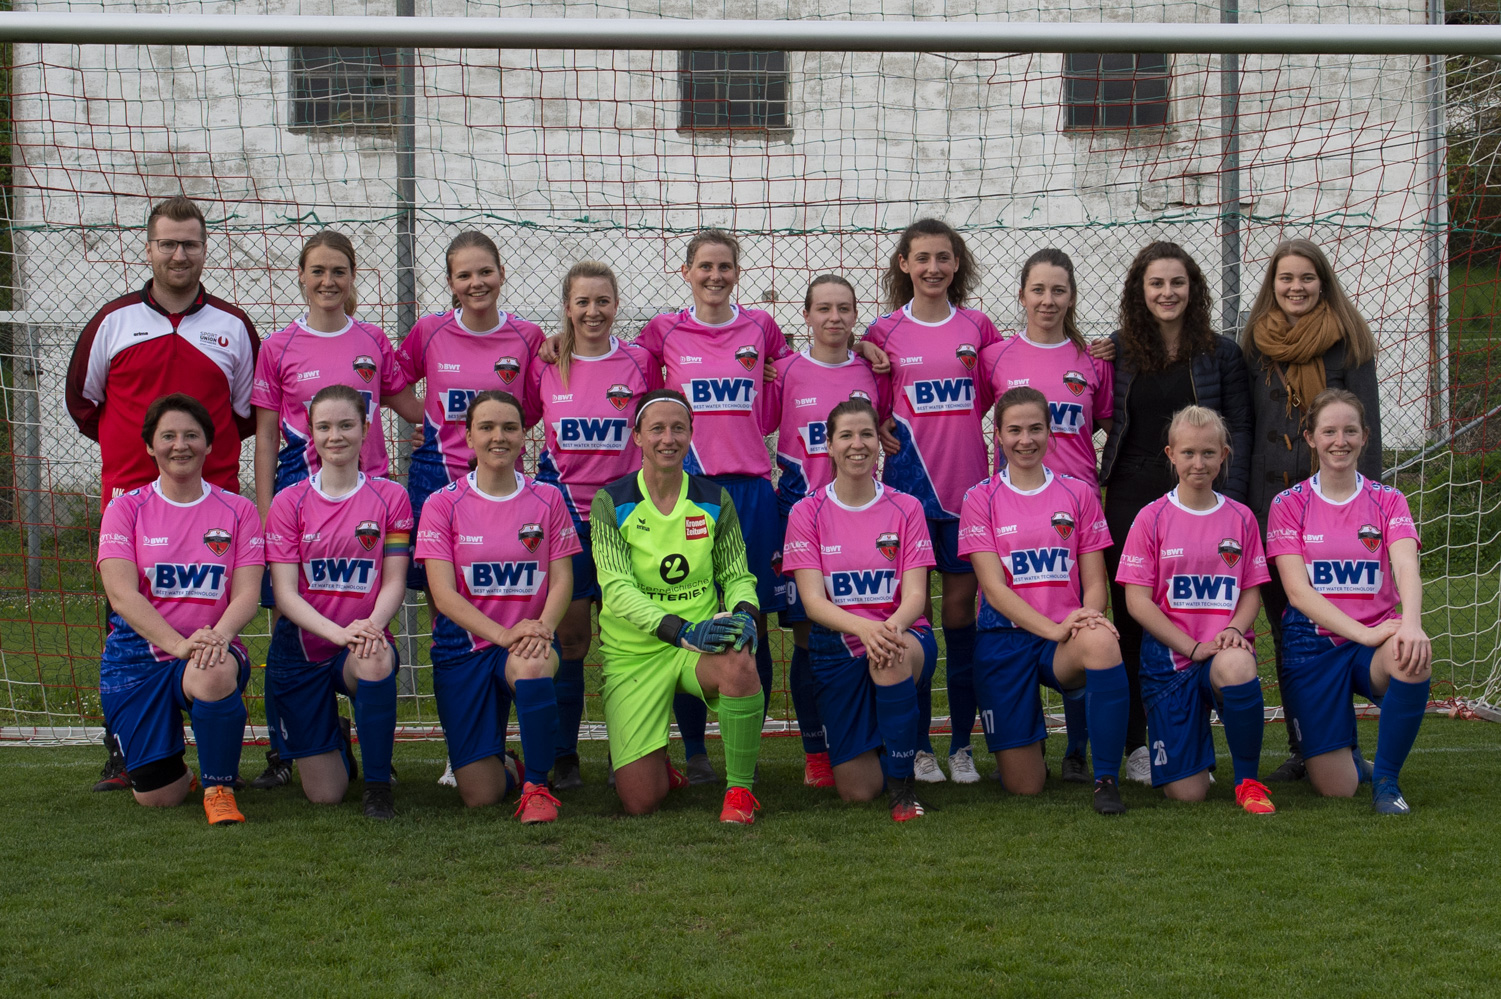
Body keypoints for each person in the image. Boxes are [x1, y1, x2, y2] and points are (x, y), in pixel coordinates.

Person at [66, 195, 259, 793]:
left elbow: (244, 414)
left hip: (213, 507)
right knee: (127, 620)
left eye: (190, 243)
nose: (179, 254)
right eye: (168, 243)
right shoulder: (113, 321)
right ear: (148, 249)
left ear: (205, 249)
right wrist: (138, 460)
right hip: (134, 503)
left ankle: (220, 743)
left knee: (216, 618)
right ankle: (127, 752)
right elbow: (84, 403)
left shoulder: (233, 326)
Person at [249, 229, 422, 790]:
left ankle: (370, 745)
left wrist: (456, 431)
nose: (328, 281)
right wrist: (266, 508)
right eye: (318, 271)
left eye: (338, 271)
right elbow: (266, 435)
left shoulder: (372, 339)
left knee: (366, 601)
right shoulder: (278, 347)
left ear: (352, 278)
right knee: (290, 621)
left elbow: (406, 402)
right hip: (301, 495)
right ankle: (289, 749)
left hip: (368, 494)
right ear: (301, 277)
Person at [619, 229, 792, 785]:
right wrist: (559, 342)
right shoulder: (662, 331)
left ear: (737, 272)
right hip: (689, 491)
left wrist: (862, 348)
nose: (715, 276)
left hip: (750, 491)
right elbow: (617, 362)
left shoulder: (761, 327)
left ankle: (746, 748)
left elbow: (797, 368)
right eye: (705, 266)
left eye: (725, 267)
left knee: (750, 621)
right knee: (691, 618)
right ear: (687, 271)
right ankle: (694, 750)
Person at [1096, 241, 1252, 785]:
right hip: (1131, 492)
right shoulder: (1118, 350)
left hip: (1203, 491)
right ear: (1140, 291)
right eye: (1156, 283)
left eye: (1177, 282)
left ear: (1193, 289)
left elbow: (1240, 427)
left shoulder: (1221, 353)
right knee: (1133, 619)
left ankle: (1199, 727)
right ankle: (1138, 742)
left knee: (1201, 608)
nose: (1167, 293)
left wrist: (1238, 499)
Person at [858, 218, 999, 784]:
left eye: (943, 257)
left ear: (956, 264)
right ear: (904, 265)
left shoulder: (979, 327)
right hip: (908, 498)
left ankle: (961, 745)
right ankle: (917, 748)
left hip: (967, 496)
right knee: (912, 620)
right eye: (922, 258)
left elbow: (1001, 386)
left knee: (961, 619)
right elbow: (870, 403)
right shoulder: (883, 331)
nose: (933, 268)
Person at [1242, 239, 1383, 783]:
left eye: (1306, 277)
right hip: (1270, 508)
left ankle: (1342, 742)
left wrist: (1370, 508)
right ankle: (1305, 744)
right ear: (1272, 285)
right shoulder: (1254, 345)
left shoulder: (1350, 342)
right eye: (1286, 278)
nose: (1295, 287)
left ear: (1322, 282)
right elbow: (1247, 428)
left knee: (1342, 625)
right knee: (1289, 630)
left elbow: (1367, 433)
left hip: (1336, 513)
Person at [590, 389, 765, 824]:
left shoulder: (714, 499)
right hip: (635, 654)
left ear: (690, 434)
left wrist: (745, 611)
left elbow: (737, 575)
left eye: (678, 429)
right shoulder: (610, 502)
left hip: (697, 647)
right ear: (637, 436)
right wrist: (680, 629)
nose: (668, 438)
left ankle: (740, 791)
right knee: (640, 802)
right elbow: (617, 590)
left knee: (740, 660)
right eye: (657, 429)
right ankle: (657, 763)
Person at [958, 387, 1131, 815]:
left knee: (1102, 641)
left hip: (1065, 638)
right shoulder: (979, 498)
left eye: (1035, 429)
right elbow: (994, 590)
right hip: (1004, 639)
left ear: (1050, 433)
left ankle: (1106, 779)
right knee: (1025, 786)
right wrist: (1054, 628)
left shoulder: (1079, 493)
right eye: (1015, 430)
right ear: (998, 435)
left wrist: (1086, 616)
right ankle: (1030, 741)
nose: (1026, 440)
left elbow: (1095, 583)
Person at [95, 394, 263, 824]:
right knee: (158, 797)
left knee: (214, 668)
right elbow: (121, 595)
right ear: (150, 445)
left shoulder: (239, 510)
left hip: (209, 647)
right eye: (167, 436)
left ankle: (219, 788)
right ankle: (180, 775)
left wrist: (216, 638)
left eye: (191, 435)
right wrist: (178, 644)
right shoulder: (124, 509)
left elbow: (247, 593)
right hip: (137, 658)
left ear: (209, 443)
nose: (180, 445)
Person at [977, 248, 1113, 783]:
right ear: (1022, 295)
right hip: (1012, 508)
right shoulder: (994, 357)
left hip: (1075, 512)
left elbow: (1112, 425)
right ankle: (1009, 736)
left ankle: (1080, 751)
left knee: (1083, 618)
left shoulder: (1094, 359)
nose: (1048, 300)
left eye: (1059, 290)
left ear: (1072, 296)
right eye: (1038, 289)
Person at [414, 391, 578, 822]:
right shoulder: (441, 503)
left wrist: (542, 628)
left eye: (509, 427)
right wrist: (504, 634)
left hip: (526, 643)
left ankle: (537, 787)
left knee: (533, 664)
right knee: (480, 794)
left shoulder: (548, 498)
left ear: (524, 436)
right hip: (463, 650)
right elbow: (443, 595)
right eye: (486, 427)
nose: (498, 437)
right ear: (469, 437)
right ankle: (510, 767)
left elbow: (562, 578)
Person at [1266, 389, 1429, 814]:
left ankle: (1387, 785)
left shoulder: (1389, 499)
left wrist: (1411, 624)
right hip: (1313, 645)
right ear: (1311, 438)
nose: (1340, 441)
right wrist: (1363, 632)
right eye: (1329, 431)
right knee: (1337, 788)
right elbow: (1298, 592)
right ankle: (1348, 753)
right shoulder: (1288, 504)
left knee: (1412, 656)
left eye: (1350, 431)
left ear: (1365, 437)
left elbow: (1406, 568)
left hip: (1372, 643)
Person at [528, 261, 659, 789]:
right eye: (582, 302)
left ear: (616, 304)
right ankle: (565, 756)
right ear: (567, 307)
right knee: (572, 639)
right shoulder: (545, 364)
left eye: (602, 301)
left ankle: (628, 751)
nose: (593, 311)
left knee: (632, 638)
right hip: (565, 521)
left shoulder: (641, 362)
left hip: (626, 520)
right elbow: (513, 420)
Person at [1115, 405, 1275, 813]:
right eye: (1188, 453)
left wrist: (1234, 630)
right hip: (1170, 662)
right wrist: (1191, 647)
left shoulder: (1241, 518)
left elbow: (1251, 591)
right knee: (1187, 794)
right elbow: (1136, 601)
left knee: (1237, 665)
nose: (1198, 463)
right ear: (1171, 455)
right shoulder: (1150, 518)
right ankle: (1195, 758)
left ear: (1224, 455)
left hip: (1222, 652)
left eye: (1208, 453)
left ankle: (1248, 783)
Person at [783, 399, 936, 822]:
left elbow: (916, 597)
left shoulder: (907, 507)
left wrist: (886, 630)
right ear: (829, 445)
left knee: (891, 656)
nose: (858, 444)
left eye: (867, 434)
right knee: (858, 791)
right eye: (846, 436)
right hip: (839, 647)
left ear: (878, 443)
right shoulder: (806, 511)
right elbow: (813, 602)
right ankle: (888, 741)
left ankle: (903, 787)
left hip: (903, 634)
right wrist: (865, 630)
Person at [264, 385, 413, 819]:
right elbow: (285, 593)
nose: (336, 436)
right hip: (303, 651)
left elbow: (394, 581)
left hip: (364, 637)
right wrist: (339, 633)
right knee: (325, 794)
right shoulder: (288, 501)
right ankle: (338, 742)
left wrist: (370, 628)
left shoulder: (391, 496)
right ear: (311, 432)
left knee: (375, 659)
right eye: (325, 427)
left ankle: (378, 786)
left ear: (365, 428)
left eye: (346, 425)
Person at [763, 275, 888, 789]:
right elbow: (759, 423)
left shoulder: (873, 369)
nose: (834, 318)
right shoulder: (785, 371)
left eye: (844, 309)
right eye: (824, 309)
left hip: (865, 518)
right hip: (802, 516)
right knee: (809, 637)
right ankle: (816, 750)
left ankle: (873, 737)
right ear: (807, 315)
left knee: (872, 623)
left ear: (856, 315)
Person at [397, 230, 546, 576]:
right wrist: (429, 418)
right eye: (464, 275)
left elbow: (534, 409)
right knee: (438, 584)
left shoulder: (529, 337)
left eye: (485, 272)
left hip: (502, 474)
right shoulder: (430, 330)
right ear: (451, 282)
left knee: (496, 576)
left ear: (501, 274)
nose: (476, 283)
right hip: (435, 474)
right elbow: (390, 383)